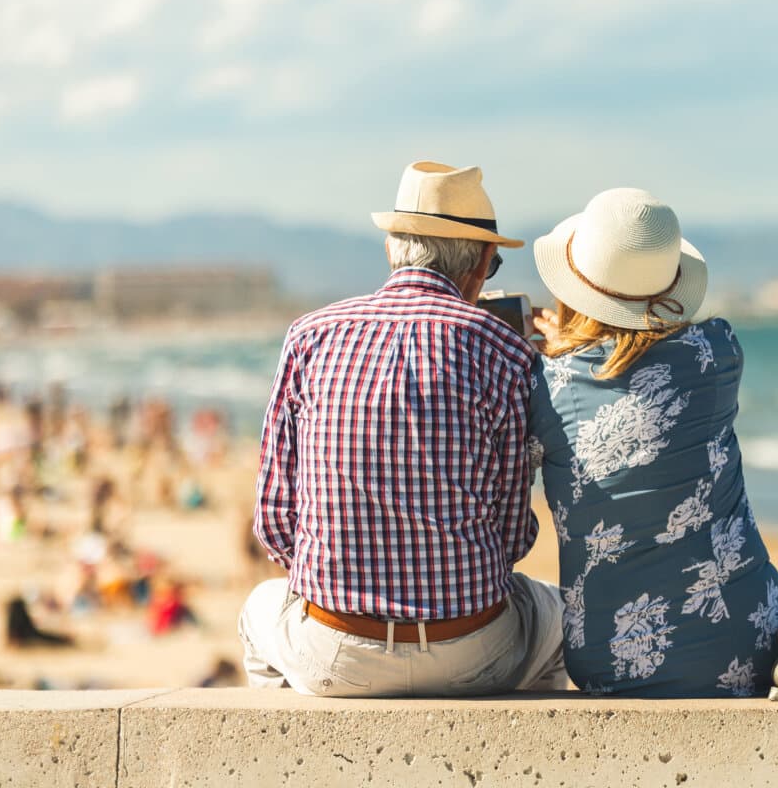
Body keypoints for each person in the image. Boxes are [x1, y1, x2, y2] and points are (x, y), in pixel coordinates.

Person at [239, 161, 566, 697]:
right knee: (554, 617)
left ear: (392, 247)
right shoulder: (505, 351)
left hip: (335, 652)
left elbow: (276, 526)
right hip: (472, 650)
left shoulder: (310, 336)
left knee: (259, 610)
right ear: (483, 262)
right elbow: (512, 539)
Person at [528, 188, 778, 697]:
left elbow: (590, 381)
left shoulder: (544, 384)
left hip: (608, 661)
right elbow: (642, 358)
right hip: (745, 645)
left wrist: (556, 350)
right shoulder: (718, 353)